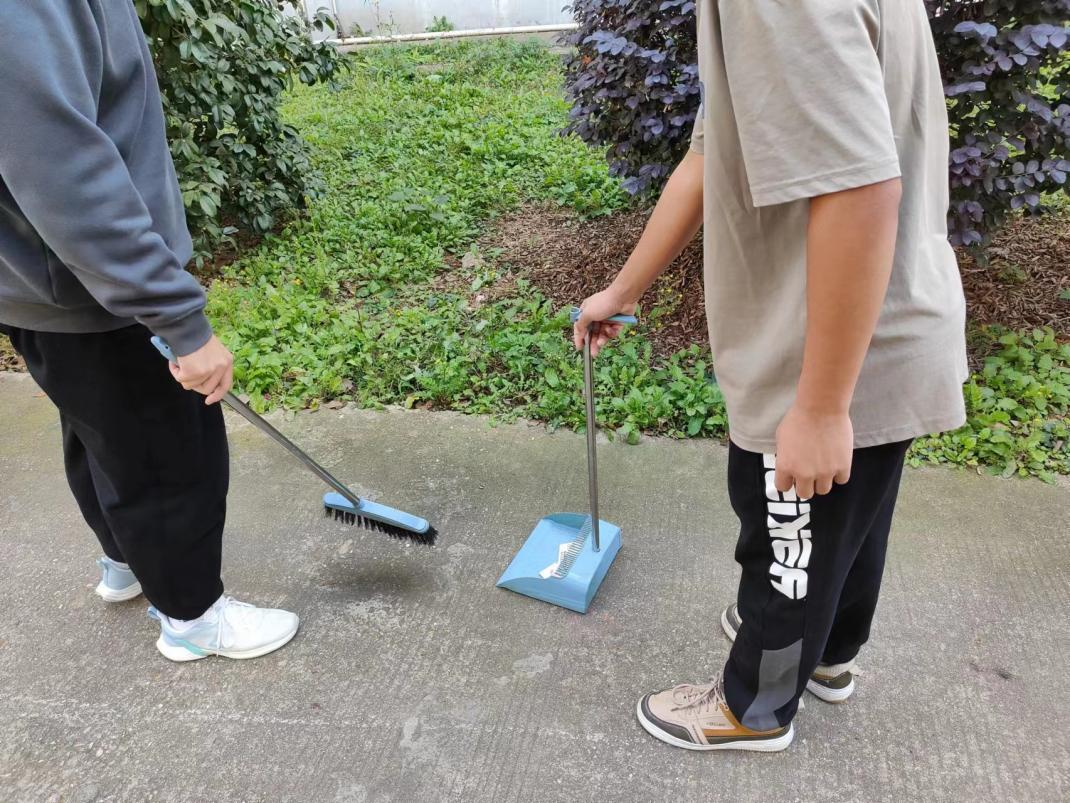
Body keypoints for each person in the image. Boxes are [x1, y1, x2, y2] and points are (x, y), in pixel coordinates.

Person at [574, 0, 967, 751]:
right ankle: (826, 653)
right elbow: (712, 150)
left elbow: (858, 188)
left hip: (824, 346)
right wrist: (623, 290)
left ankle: (754, 704)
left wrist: (818, 407)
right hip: (887, 328)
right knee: (849, 524)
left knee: (786, 537)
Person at [0, 0, 298, 661]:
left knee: (103, 434)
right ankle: (192, 618)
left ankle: (126, 559)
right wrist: (177, 319)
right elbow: (63, 173)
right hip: (95, 287)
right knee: (168, 455)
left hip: (56, 286)